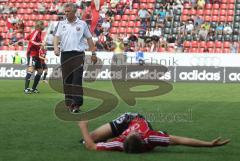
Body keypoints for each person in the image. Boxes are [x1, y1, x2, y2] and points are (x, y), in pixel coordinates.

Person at [78, 112, 230, 153]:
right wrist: (208, 144)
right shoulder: (151, 137)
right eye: (131, 133)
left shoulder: (119, 143)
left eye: (128, 134)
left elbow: (91, 147)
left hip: (127, 123)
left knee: (88, 139)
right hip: (133, 120)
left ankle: (102, 138)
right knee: (90, 139)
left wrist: (83, 126)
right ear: (140, 137)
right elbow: (181, 140)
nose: (130, 132)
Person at [53, 2, 97, 113]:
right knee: (67, 80)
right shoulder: (61, 24)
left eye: (68, 12)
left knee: (77, 80)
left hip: (78, 55)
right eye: (65, 12)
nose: (66, 14)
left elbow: (89, 39)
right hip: (65, 55)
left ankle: (76, 104)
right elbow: (56, 37)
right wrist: (56, 48)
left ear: (74, 12)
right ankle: (69, 103)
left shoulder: (82, 24)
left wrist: (93, 53)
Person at [23, 21, 45, 94]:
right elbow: (32, 41)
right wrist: (40, 43)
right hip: (32, 54)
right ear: (40, 26)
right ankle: (26, 89)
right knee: (30, 70)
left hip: (36, 55)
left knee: (40, 71)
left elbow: (27, 38)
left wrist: (27, 37)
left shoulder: (37, 32)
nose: (44, 26)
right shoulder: (36, 32)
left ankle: (33, 88)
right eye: (43, 25)